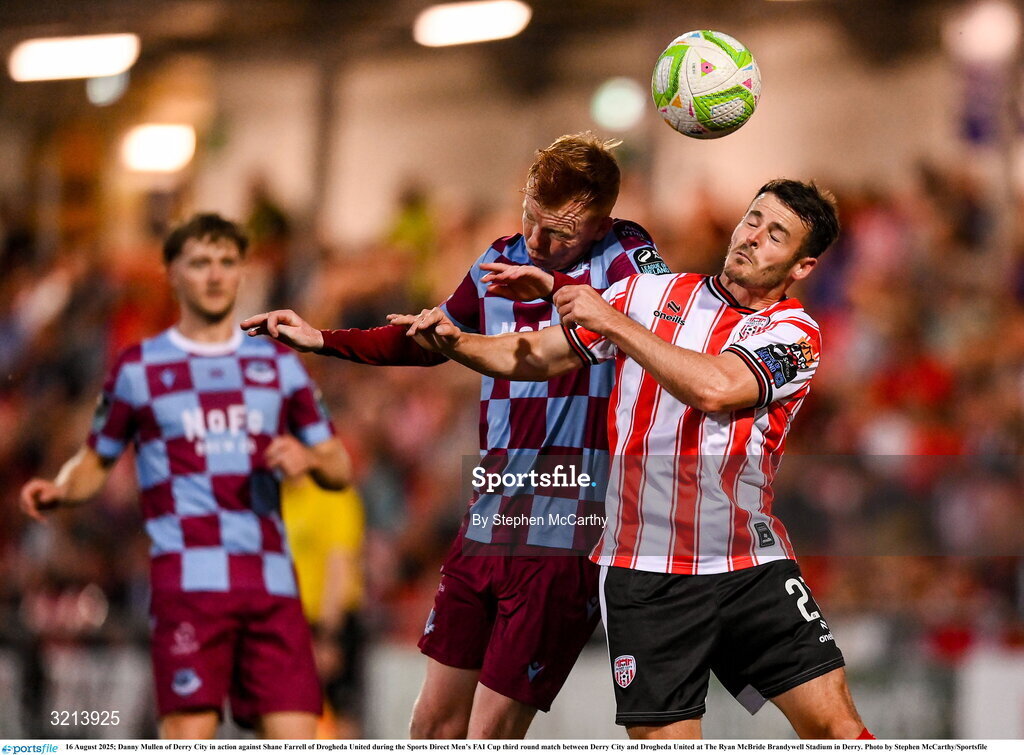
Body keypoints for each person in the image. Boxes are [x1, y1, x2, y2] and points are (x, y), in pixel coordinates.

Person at [390, 179, 875, 740]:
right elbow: (538, 357)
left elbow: (716, 388)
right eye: (751, 220)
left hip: (747, 567)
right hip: (643, 576)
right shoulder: (648, 295)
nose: (751, 238)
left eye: (775, 235)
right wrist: (457, 343)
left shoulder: (794, 334)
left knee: (839, 730)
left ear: (802, 266)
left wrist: (614, 324)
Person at [241, 132, 672, 738]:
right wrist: (323, 339)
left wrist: (549, 288)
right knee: (434, 727)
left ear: (602, 223)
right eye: (531, 220)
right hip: (490, 514)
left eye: (562, 233)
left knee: (487, 737)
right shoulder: (497, 257)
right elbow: (435, 338)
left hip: (566, 522)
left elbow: (655, 328)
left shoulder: (629, 255)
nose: (539, 243)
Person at [19, 213, 351, 739]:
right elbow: (95, 458)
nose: (215, 275)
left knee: (299, 735)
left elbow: (339, 464)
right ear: (172, 273)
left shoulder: (280, 367)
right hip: (189, 585)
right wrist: (61, 488)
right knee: (189, 729)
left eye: (226, 262)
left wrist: (310, 461)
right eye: (200, 263)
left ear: (242, 273)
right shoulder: (139, 370)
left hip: (270, 584)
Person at [281, 474, 367, 738]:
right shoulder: (277, 495)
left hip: (327, 619)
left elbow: (339, 565)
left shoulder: (333, 493)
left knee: (339, 709)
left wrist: (329, 635)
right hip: (288, 620)